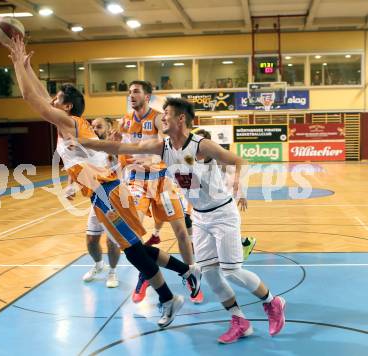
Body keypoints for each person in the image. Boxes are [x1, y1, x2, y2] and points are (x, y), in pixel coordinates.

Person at [7, 37, 202, 328]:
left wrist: (15, 65)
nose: (52, 101)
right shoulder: (69, 122)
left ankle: (167, 297)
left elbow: (29, 98)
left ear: (67, 106)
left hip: (109, 192)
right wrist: (26, 65)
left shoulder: (70, 123)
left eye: (57, 99)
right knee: (134, 247)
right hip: (101, 194)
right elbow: (40, 95)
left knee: (134, 251)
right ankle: (185, 272)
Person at [79, 97, 286, 343]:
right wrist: (82, 142)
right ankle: (239, 321)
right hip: (199, 217)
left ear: (180, 119)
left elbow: (238, 160)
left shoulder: (202, 146)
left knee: (231, 272)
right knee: (209, 275)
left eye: (166, 114)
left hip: (222, 214)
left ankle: (272, 302)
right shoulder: (163, 146)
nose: (162, 118)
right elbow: (124, 149)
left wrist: (239, 183)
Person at [118, 80, 202, 304]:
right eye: (129, 92)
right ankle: (145, 274)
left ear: (147, 97)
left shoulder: (157, 117)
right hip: (137, 182)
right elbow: (120, 149)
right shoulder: (124, 122)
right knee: (133, 236)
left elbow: (173, 137)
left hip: (162, 181)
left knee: (182, 232)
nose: (131, 95)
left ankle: (192, 275)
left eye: (136, 91)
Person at [192, 128, 256, 261]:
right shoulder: (190, 157)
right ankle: (243, 242)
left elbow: (235, 171)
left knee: (221, 232)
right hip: (203, 202)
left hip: (221, 200)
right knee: (213, 233)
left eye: (201, 140)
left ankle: (244, 243)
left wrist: (242, 194)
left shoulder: (216, 159)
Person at [82, 117, 121, 288]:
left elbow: (120, 160)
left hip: (114, 200)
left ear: (107, 128)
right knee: (91, 241)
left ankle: (112, 272)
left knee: (111, 241)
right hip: (97, 199)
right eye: (93, 126)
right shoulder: (90, 149)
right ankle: (99, 265)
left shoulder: (115, 145)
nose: (95, 129)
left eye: (99, 126)